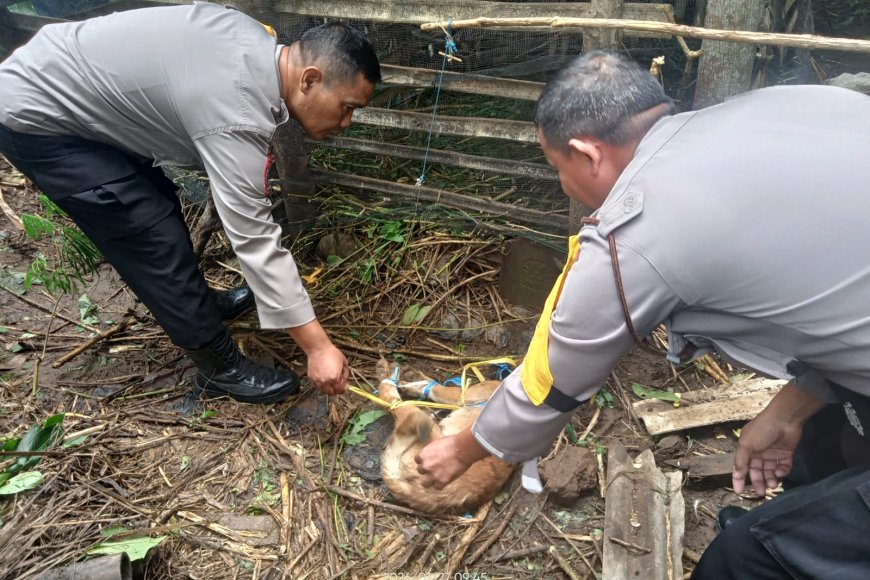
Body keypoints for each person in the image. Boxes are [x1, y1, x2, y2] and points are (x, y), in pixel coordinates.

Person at [413, 50, 870, 578]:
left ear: (587, 154)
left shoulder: (635, 230)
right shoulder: (790, 105)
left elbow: (556, 382)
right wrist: (787, 411)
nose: (562, 184)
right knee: (820, 455)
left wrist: (462, 451)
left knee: (743, 558)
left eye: (556, 169)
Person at [0, 3, 380, 403]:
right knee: (147, 231)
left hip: (66, 84)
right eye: (348, 107)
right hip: (35, 113)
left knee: (157, 199)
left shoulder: (253, 40)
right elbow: (253, 236)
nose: (346, 123)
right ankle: (219, 368)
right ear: (309, 80)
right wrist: (317, 348)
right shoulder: (235, 105)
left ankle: (200, 306)